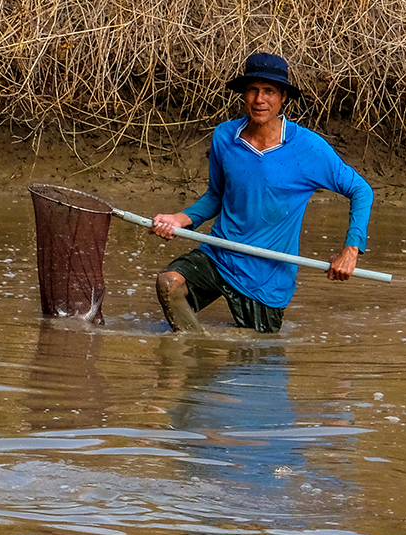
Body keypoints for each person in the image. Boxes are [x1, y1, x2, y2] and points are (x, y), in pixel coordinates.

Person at [148, 52, 373, 334]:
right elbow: (216, 196)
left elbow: (361, 190)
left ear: (283, 98)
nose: (259, 99)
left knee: (255, 357)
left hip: (268, 279)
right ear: (243, 94)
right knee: (169, 284)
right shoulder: (224, 137)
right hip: (221, 254)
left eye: (269, 91)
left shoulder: (308, 148)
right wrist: (180, 219)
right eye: (253, 90)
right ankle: (194, 353)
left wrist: (350, 251)